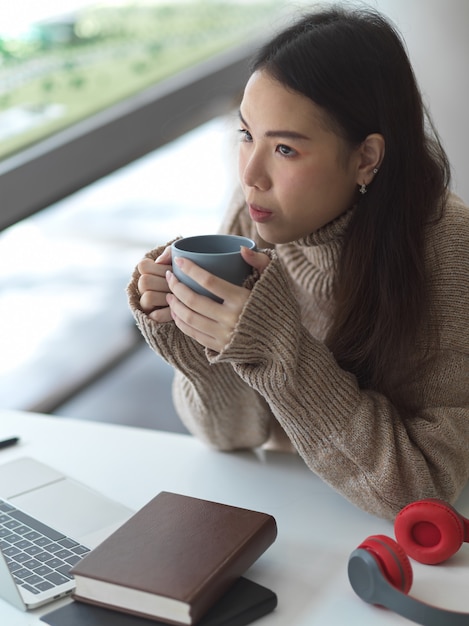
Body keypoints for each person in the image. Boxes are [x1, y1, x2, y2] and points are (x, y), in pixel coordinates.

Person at [127, 6, 469, 520]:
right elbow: (229, 436)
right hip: (291, 515)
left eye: (285, 148)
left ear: (365, 158)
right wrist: (194, 340)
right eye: (246, 135)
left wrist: (276, 348)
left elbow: (426, 492)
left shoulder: (449, 254)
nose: (251, 176)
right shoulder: (254, 219)